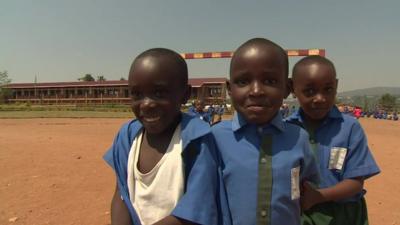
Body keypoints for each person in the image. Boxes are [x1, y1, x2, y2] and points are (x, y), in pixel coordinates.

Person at [103, 48, 219, 225]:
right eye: (137, 94)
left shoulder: (197, 140)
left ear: (185, 94)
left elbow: (197, 208)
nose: (147, 103)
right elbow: (121, 194)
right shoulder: (127, 137)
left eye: (159, 93)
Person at [212, 38, 319, 225]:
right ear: (229, 89)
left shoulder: (298, 138)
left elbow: (304, 187)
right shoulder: (214, 138)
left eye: (269, 81)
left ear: (287, 88)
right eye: (243, 81)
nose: (256, 91)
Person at [287, 55, 380, 225]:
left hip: (344, 216)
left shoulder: (349, 128)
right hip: (301, 214)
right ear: (292, 88)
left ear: (336, 86)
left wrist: (319, 196)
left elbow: (356, 183)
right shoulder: (286, 130)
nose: (320, 98)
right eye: (309, 91)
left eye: (328, 90)